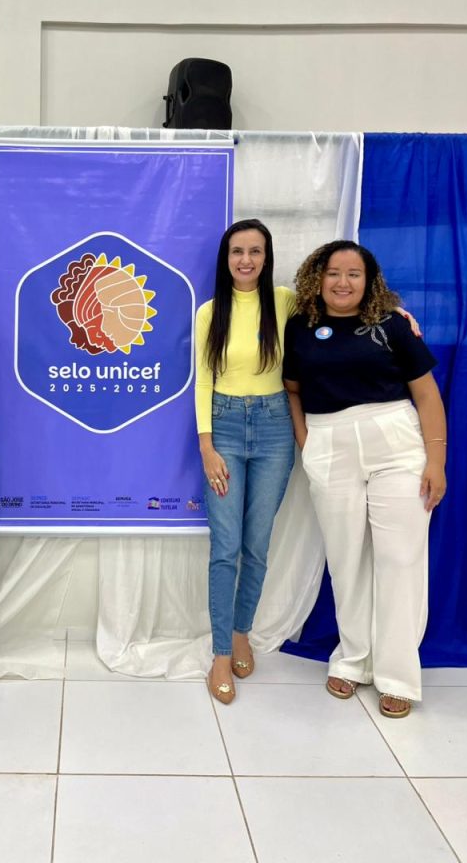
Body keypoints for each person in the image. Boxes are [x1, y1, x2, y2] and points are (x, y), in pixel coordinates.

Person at [283, 240, 446, 718]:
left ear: (369, 281)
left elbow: (427, 396)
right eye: (334, 272)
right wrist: (307, 442)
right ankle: (353, 660)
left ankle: (397, 675)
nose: (343, 282)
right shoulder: (300, 326)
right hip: (329, 445)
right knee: (346, 558)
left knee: (400, 558)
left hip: (395, 443)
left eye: (354, 274)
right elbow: (292, 390)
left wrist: (436, 462)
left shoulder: (392, 324)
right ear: (318, 277)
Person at [195, 219, 296, 704]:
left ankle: (241, 634)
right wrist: (207, 446)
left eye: (255, 251)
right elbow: (203, 380)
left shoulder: (284, 301)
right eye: (238, 251)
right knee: (225, 546)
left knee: (256, 546)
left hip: (276, 429)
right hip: (225, 428)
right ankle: (220, 654)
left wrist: (393, 309)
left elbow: (341, 303)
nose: (246, 260)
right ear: (226, 257)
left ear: (266, 257)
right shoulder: (210, 312)